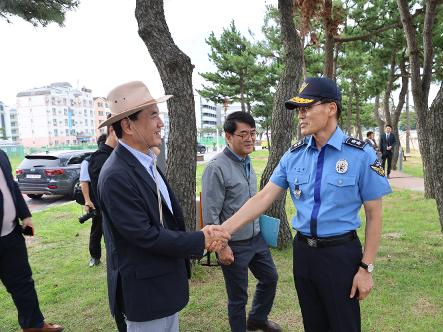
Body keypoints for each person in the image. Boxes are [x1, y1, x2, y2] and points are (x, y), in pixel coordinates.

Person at [220, 77, 392, 332]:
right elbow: (263, 198)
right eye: (298, 110)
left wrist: (366, 267)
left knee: (343, 325)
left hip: (340, 255)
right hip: (304, 255)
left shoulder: (360, 154)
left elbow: (374, 214)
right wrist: (223, 230)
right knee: (313, 324)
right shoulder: (294, 155)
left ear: (331, 108)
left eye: (306, 108)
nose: (300, 115)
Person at [96, 81, 230, 332]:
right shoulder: (116, 175)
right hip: (145, 294)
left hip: (161, 285)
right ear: (128, 125)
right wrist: (199, 240)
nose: (161, 123)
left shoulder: (145, 161)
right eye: (153, 115)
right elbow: (145, 236)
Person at [202, 112, 281, 332]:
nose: (249, 139)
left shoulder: (246, 161)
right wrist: (222, 248)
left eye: (253, 133)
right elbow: (211, 216)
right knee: (238, 297)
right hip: (233, 243)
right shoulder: (216, 167)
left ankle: (257, 319)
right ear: (228, 136)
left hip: (256, 239)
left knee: (270, 278)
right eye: (243, 134)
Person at [0, 149, 64, 332]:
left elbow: (10, 185)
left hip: (11, 235)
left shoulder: (2, 155)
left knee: (23, 283)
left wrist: (24, 214)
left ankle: (34, 325)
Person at [86, 125, 126, 331]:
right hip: (113, 226)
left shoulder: (119, 156)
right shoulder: (101, 159)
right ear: (113, 131)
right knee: (118, 273)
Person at [80, 133, 108, 267]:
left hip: (108, 200)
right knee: (97, 230)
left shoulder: (111, 156)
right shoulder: (89, 160)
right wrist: (87, 201)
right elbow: (84, 182)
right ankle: (95, 256)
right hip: (96, 202)